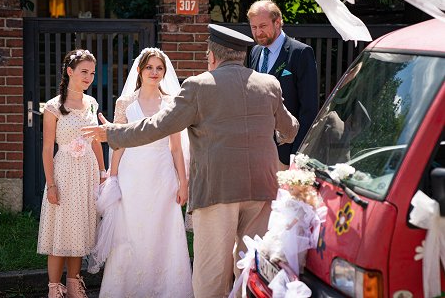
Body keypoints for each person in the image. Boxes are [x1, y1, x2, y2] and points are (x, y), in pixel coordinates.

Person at [82, 24, 300, 298]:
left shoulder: (197, 86)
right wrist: (271, 136)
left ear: (212, 56)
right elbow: (290, 128)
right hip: (261, 189)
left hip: (217, 191)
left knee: (212, 274)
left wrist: (112, 132)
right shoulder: (269, 84)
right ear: (243, 55)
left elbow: (157, 126)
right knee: (253, 267)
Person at [97, 47, 194, 297]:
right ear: (139, 70)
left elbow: (175, 148)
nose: (154, 72)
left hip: (162, 174)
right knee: (130, 230)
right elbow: (117, 142)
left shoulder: (172, 103)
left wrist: (183, 183)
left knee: (163, 230)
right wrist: (112, 175)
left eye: (159, 68)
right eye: (149, 67)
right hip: (132, 174)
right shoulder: (125, 103)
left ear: (165, 71)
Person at [37, 49, 106, 298]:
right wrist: (51, 185)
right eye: (84, 72)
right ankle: (55, 289)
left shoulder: (91, 103)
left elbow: (97, 140)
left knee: (80, 230)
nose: (89, 77)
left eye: (92, 73)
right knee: (60, 231)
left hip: (87, 171)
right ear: (70, 71)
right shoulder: (54, 107)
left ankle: (75, 284)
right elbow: (47, 149)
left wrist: (102, 172)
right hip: (64, 172)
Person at [247, 0, 318, 170]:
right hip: (256, 150)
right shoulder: (255, 52)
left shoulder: (300, 53)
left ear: (277, 22)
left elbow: (309, 109)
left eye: (263, 26)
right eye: (254, 27)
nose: (258, 32)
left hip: (285, 153)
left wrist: (296, 155)